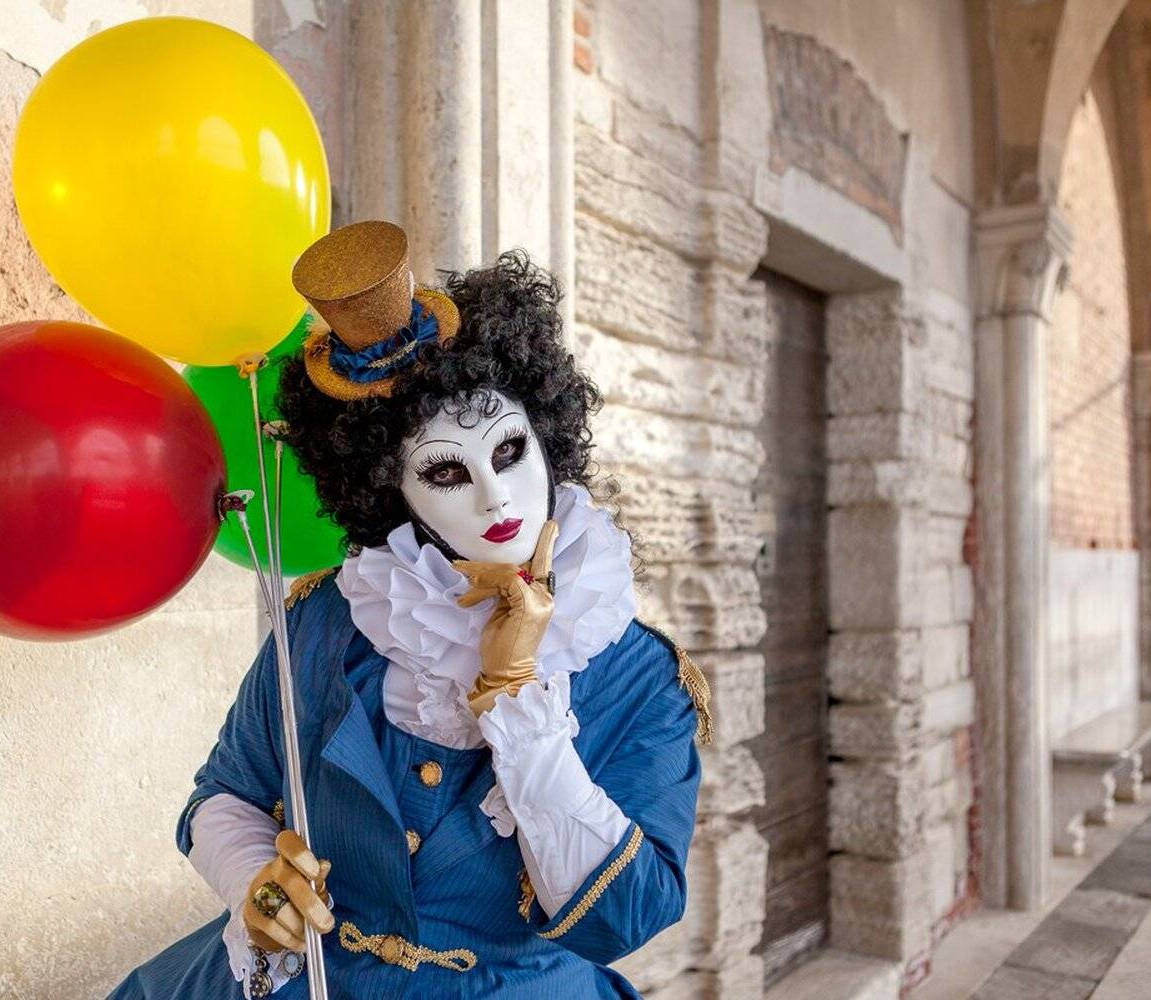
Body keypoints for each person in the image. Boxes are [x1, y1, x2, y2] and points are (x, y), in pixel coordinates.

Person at [107, 220, 710, 999]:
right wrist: (257, 885)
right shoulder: (331, 621)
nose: (495, 495)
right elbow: (227, 790)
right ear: (395, 490)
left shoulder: (639, 674)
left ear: (545, 439)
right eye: (446, 472)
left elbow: (623, 921)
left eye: (509, 451)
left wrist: (516, 695)